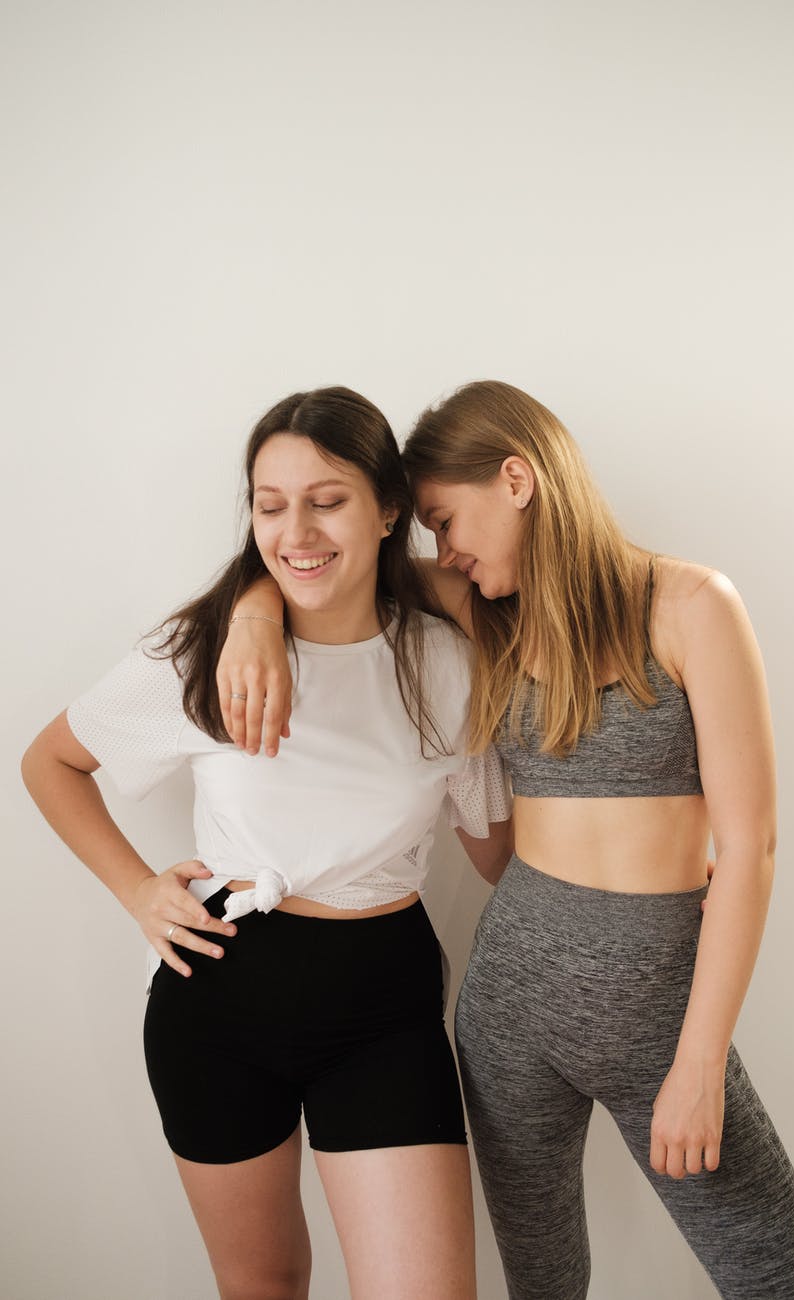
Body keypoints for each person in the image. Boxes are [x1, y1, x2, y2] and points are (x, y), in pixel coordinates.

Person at [221, 380, 794, 1300]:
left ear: (517, 479)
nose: (444, 550)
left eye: (445, 519)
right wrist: (251, 616)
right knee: (544, 1285)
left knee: (780, 1280)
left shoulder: (690, 605)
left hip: (658, 1021)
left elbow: (750, 851)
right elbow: (328, 561)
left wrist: (700, 1063)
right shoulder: (484, 614)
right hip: (508, 1010)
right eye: (427, 529)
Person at [21, 386, 512, 1300]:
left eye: (326, 500)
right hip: (216, 992)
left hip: (381, 1004)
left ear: (387, 509)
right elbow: (50, 762)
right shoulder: (200, 651)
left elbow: (499, 859)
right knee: (265, 1285)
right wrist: (135, 890)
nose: (297, 532)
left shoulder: (446, 664)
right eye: (270, 505)